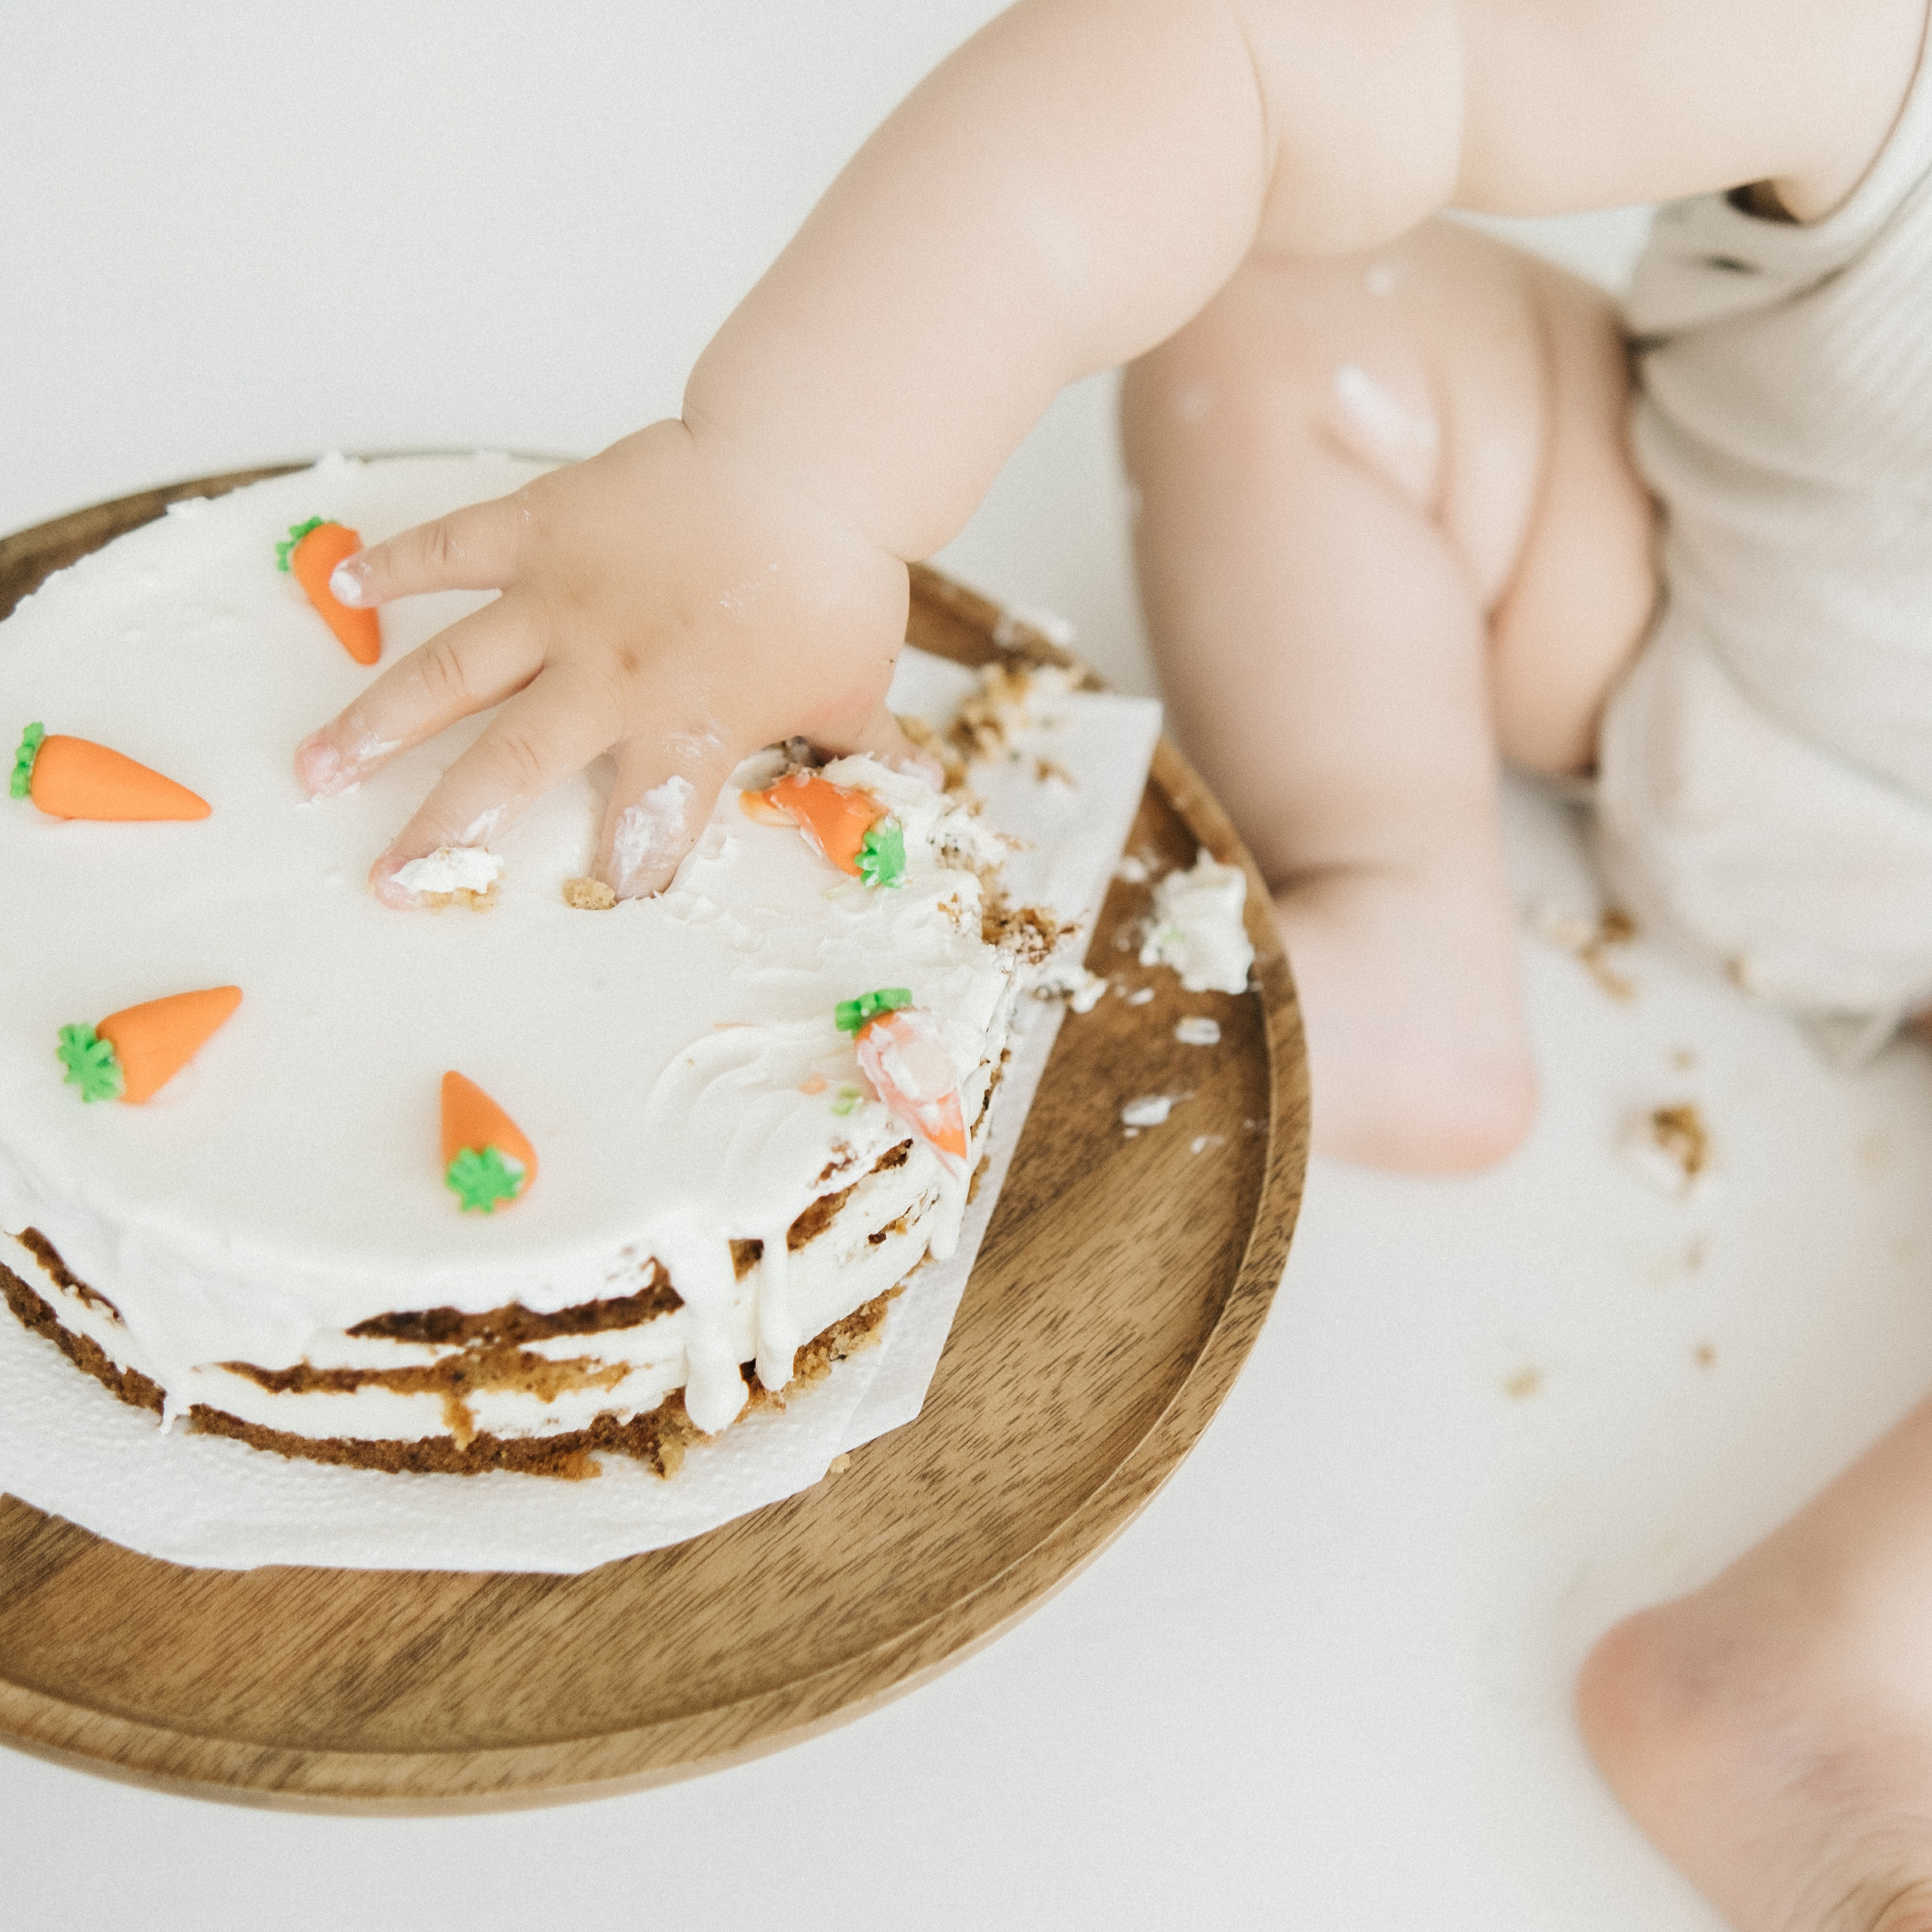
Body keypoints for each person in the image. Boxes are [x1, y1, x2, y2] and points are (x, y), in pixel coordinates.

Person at [289, 3, 1932, 1924]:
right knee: (1292, 304)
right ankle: (1390, 892)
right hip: (1691, 642)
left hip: (1754, 701)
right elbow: (1239, 55)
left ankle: (1840, 1650)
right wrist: (800, 478)